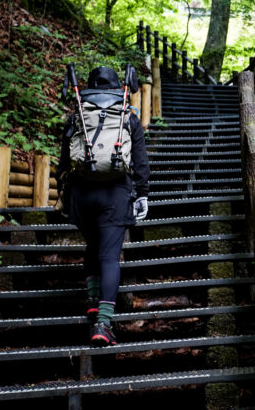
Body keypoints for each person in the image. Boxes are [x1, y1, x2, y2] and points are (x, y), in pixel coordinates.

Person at [56, 66, 150, 346]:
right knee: (109, 255)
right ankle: (103, 323)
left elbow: (63, 161)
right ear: (117, 85)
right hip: (115, 193)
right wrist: (142, 193)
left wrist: (63, 192)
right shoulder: (127, 116)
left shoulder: (77, 115)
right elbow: (140, 160)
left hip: (81, 195)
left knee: (92, 248)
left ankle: (93, 302)